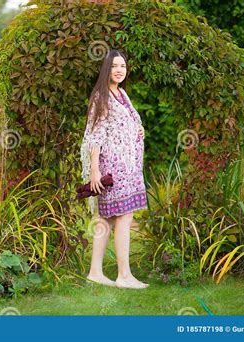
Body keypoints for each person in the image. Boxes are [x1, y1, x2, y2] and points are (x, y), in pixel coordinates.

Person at [80, 49, 149, 289]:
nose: (119, 70)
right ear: (106, 70)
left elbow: (128, 123)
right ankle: (124, 276)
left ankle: (95, 272)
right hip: (113, 168)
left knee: (106, 219)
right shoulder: (102, 97)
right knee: (123, 217)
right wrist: (95, 171)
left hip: (129, 167)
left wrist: (139, 130)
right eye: (115, 66)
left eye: (123, 66)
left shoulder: (122, 94)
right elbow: (96, 135)